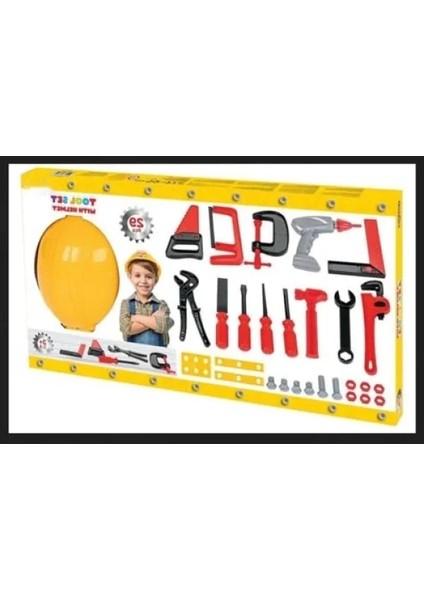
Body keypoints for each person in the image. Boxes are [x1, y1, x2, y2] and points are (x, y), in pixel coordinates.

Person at [119, 251, 174, 347]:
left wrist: (136, 318)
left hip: (159, 353)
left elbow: (163, 325)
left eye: (149, 277)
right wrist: (153, 319)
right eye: (137, 275)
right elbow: (127, 329)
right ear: (130, 277)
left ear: (156, 279)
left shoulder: (161, 304)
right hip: (133, 353)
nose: (143, 281)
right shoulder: (126, 303)